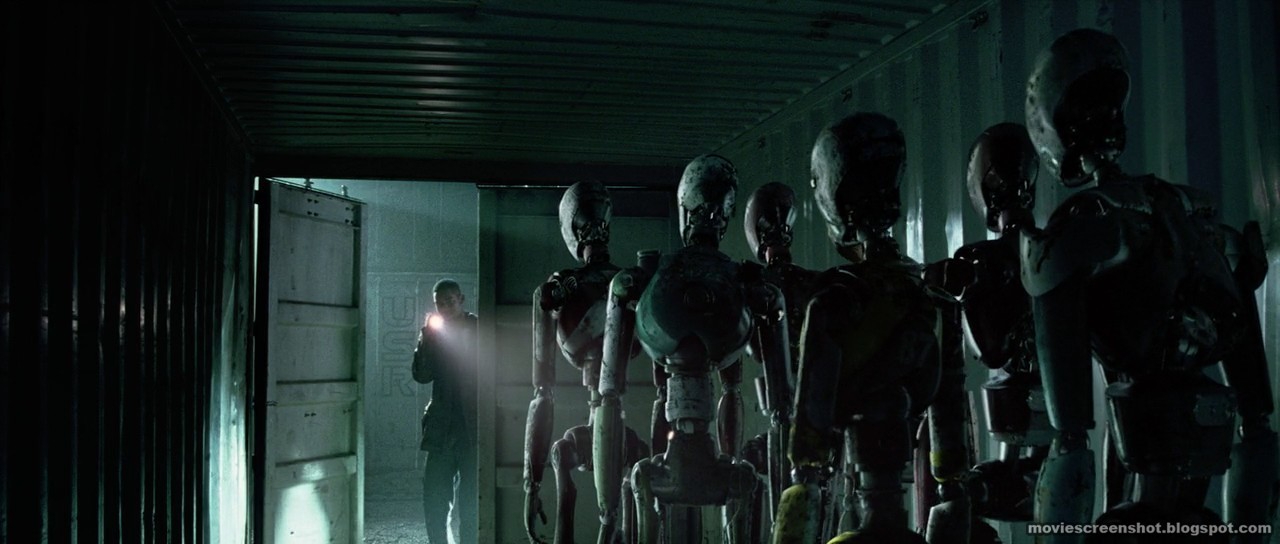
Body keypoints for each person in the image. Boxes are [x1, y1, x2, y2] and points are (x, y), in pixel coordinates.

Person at [413, 279, 479, 544]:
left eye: (449, 302)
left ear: (461, 299)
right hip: (442, 427)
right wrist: (427, 340)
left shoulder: (478, 328)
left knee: (472, 501)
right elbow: (421, 375)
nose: (444, 308)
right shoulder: (433, 334)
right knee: (435, 498)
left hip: (473, 426)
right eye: (439, 303)